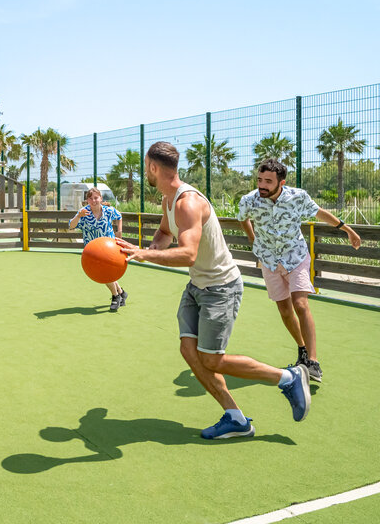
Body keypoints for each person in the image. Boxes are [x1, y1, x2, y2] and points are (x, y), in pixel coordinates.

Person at [115, 141, 311, 440]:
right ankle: (236, 418)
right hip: (197, 286)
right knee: (189, 350)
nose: (146, 172)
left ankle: (288, 377)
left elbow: (188, 254)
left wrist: (144, 254)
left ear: (154, 168)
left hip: (221, 288)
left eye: (146, 167)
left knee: (212, 359)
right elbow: (166, 231)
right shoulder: (169, 201)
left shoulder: (187, 202)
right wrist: (152, 246)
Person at [237, 158, 361, 383]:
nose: (262, 185)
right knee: (285, 311)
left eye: (268, 181)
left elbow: (319, 213)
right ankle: (302, 349)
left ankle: (312, 362)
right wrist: (253, 239)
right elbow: (243, 219)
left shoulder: (298, 197)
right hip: (269, 260)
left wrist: (347, 229)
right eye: (259, 180)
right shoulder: (249, 200)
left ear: (281, 183)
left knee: (300, 304)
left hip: (296, 256)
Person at [68, 187, 127, 311]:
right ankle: (121, 293)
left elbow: (119, 216)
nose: (94, 200)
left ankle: (116, 296)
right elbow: (71, 226)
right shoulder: (83, 213)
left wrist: (119, 232)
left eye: (96, 197)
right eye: (91, 198)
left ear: (100, 198)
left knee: (106, 272)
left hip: (110, 248)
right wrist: (78, 216)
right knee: (104, 272)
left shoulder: (108, 211)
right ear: (87, 200)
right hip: (93, 251)